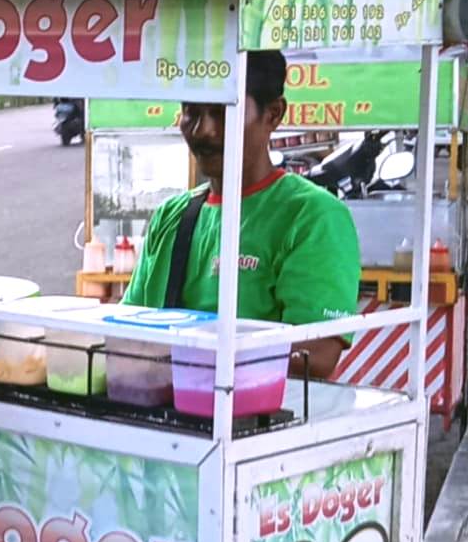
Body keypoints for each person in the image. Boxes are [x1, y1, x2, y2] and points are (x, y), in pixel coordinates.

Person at [122, 50, 360, 379]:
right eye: (191, 111)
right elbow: (128, 332)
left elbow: (316, 355)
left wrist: (186, 357)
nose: (203, 130)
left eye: (222, 112)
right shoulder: (171, 217)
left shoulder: (311, 216)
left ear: (273, 114)